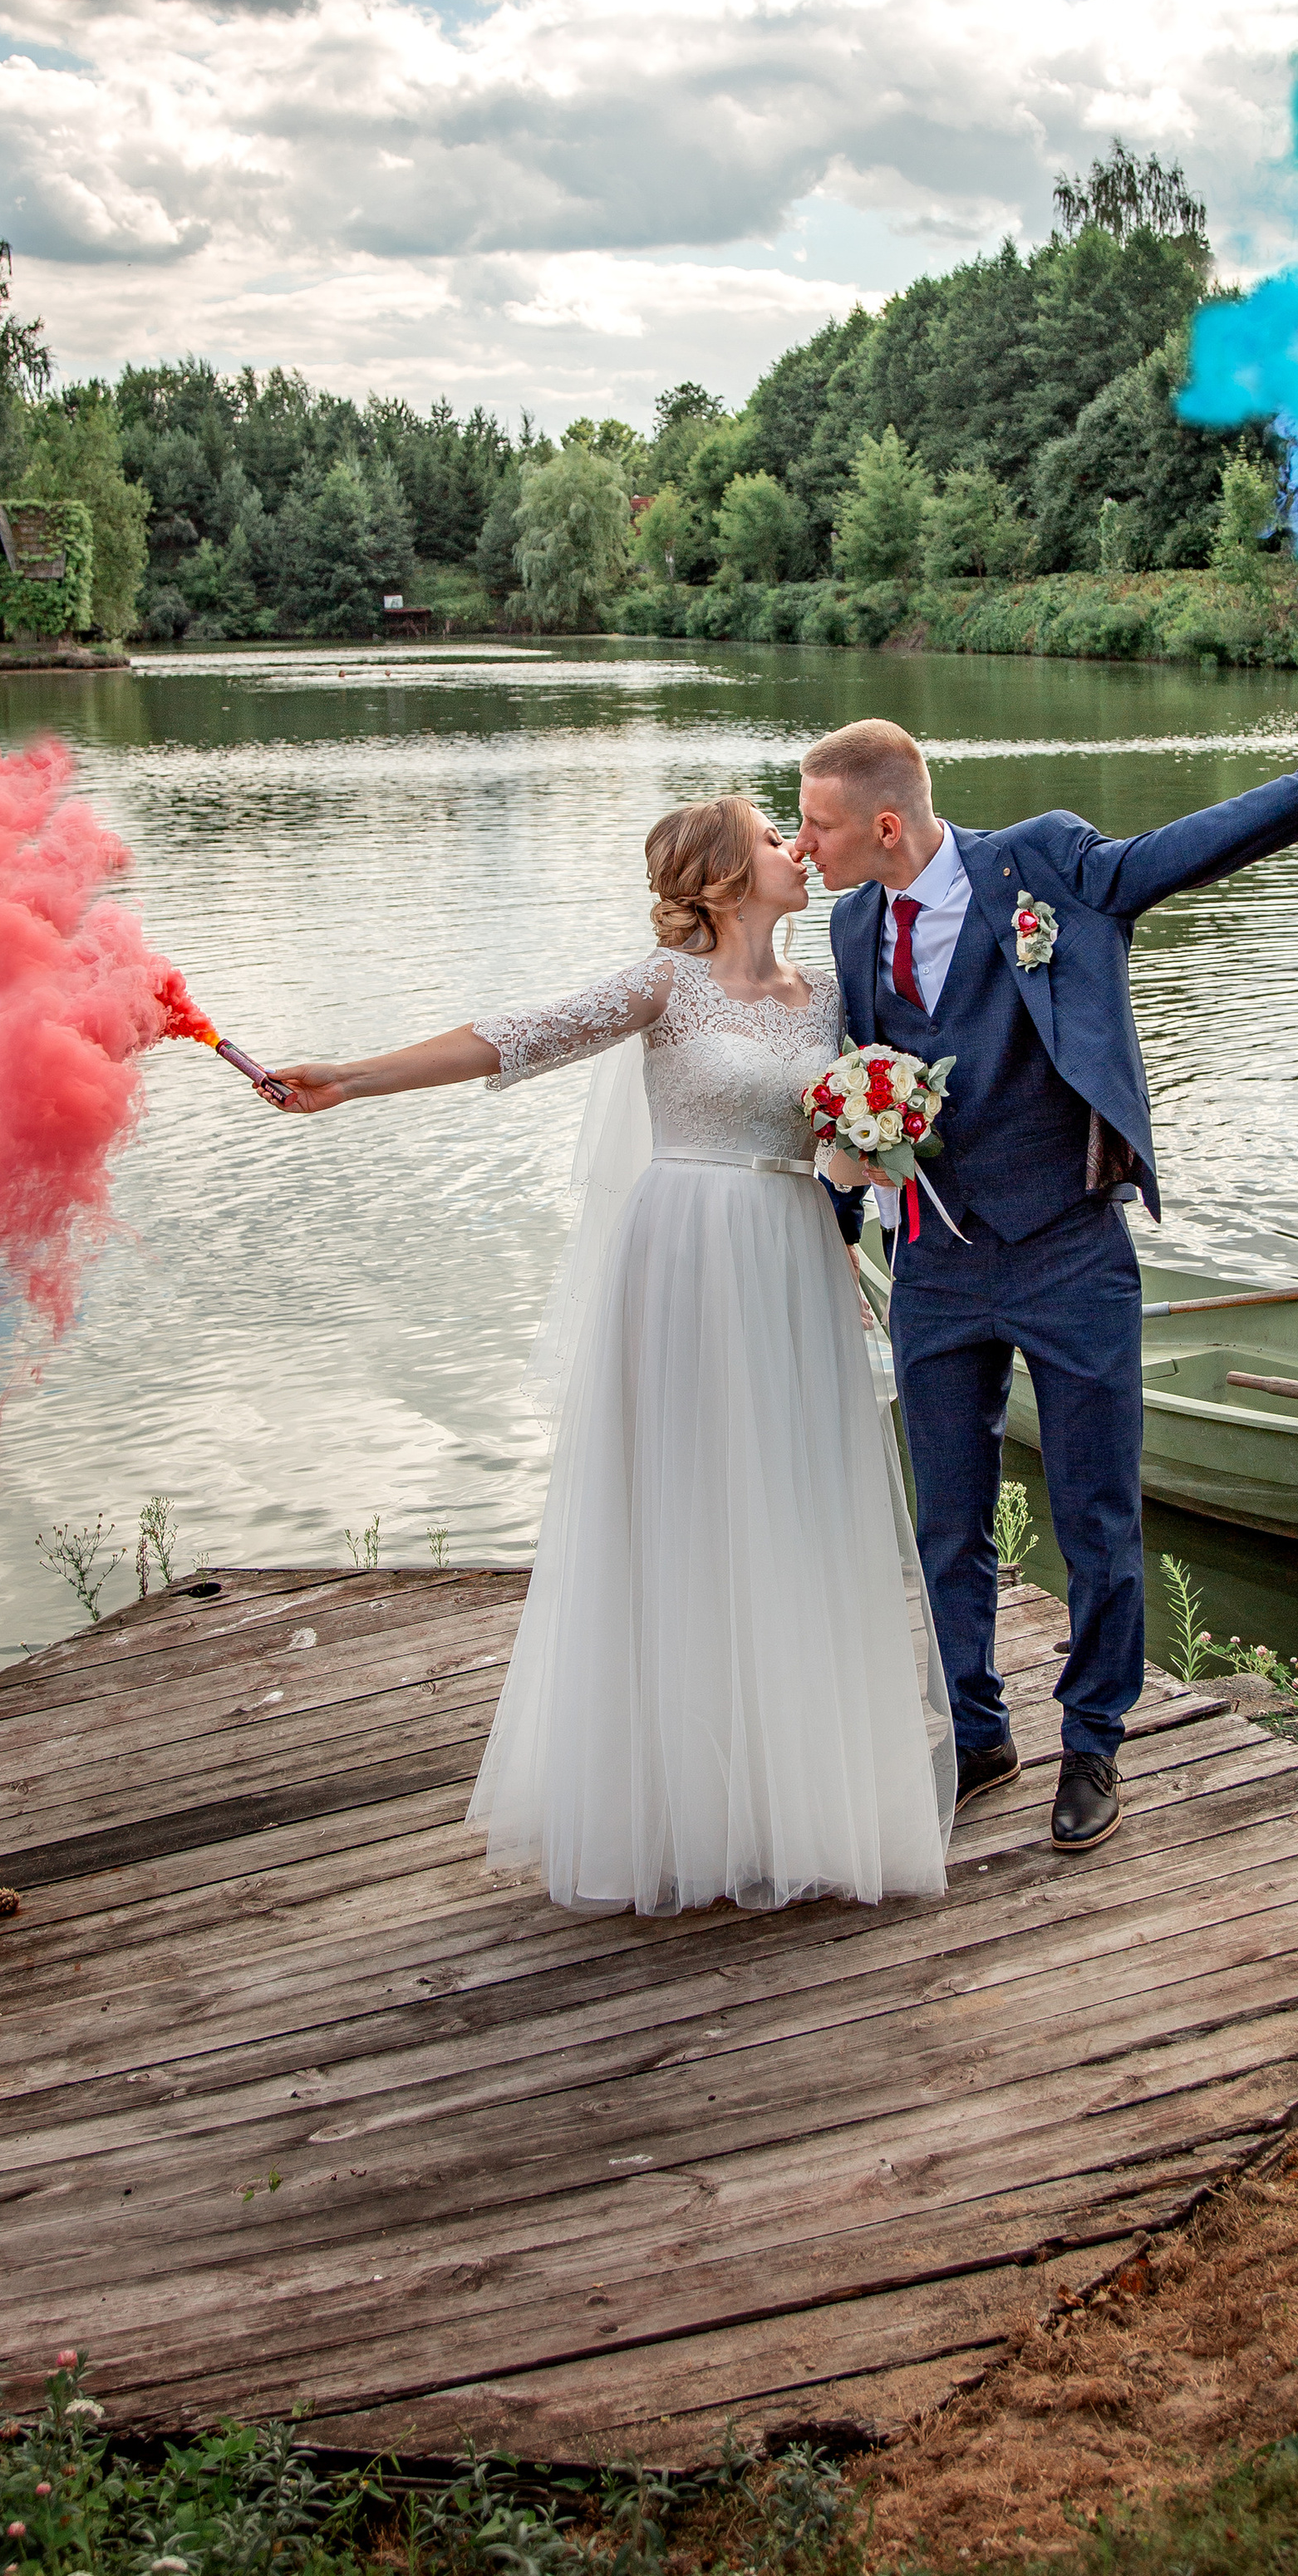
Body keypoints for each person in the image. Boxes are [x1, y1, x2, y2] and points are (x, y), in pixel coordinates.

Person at [267, 794, 955, 1918]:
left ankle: (791, 1798)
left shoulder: (829, 993)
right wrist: (352, 1074)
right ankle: (675, 1801)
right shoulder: (663, 985)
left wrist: (873, 1146)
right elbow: (519, 1033)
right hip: (682, 1259)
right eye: (777, 837)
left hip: (788, 1258)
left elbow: (836, 1145)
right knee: (682, 1510)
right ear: (729, 881)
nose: (800, 847)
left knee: (789, 1508)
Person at [794, 720, 1298, 1858]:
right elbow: (860, 1096)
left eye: (816, 825)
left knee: (1096, 1510)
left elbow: (1170, 855)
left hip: (1071, 1246)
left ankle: (1094, 1740)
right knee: (946, 1518)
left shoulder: (1044, 864)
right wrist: (838, 1215)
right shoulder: (854, 919)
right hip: (940, 1260)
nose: (803, 842)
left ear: (881, 823)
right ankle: (974, 1733)